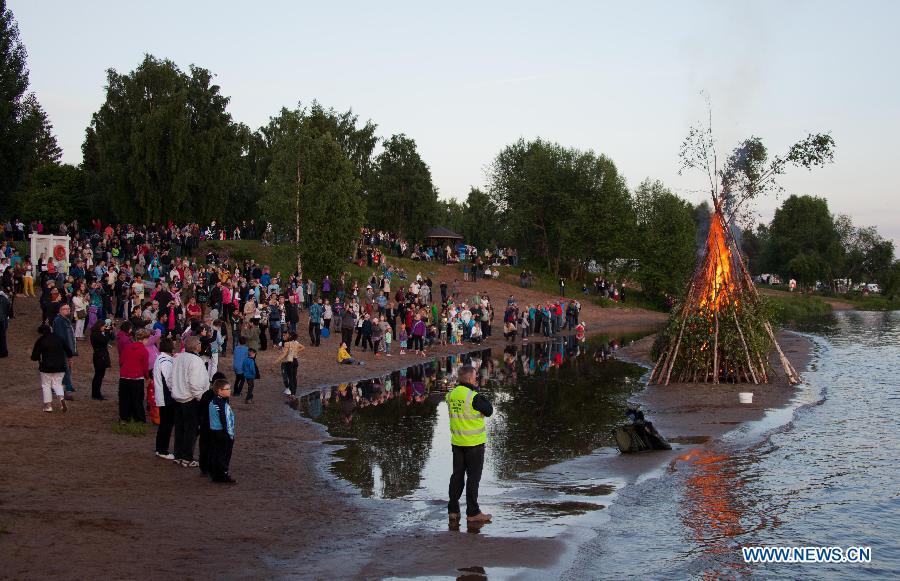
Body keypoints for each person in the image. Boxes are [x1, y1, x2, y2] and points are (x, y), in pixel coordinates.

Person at [446, 365, 493, 526]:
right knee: (473, 477)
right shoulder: (473, 396)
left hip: (457, 442)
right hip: (474, 444)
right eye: (475, 377)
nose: (476, 379)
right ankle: (473, 512)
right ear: (469, 379)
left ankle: (453, 509)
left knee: (457, 476)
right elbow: (489, 410)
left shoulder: (451, 394)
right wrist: (480, 395)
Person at [170, 336, 209, 467]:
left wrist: (174, 390)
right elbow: (195, 383)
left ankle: (178, 455)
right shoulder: (195, 360)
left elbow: (170, 379)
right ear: (196, 346)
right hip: (190, 399)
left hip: (177, 398)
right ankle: (187, 457)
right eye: (199, 343)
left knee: (180, 428)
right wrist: (201, 398)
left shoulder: (178, 358)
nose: (200, 345)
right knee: (191, 430)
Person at [31, 324, 72, 412]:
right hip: (60, 366)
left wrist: (38, 357)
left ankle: (48, 406)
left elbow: (34, 356)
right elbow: (69, 351)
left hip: (46, 367)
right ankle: (61, 400)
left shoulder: (40, 340)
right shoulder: (59, 338)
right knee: (57, 384)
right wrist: (69, 358)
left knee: (46, 385)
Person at [207, 378, 237, 484]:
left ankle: (216, 474)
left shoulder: (215, 401)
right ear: (220, 390)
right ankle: (222, 474)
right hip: (221, 432)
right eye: (227, 389)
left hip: (215, 431)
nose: (229, 391)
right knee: (223, 454)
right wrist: (229, 434)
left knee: (217, 453)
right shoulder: (219, 403)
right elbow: (224, 419)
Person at [118, 327, 150, 423]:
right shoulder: (144, 351)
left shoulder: (127, 347)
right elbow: (145, 367)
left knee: (124, 399)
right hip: (136, 378)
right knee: (137, 400)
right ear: (144, 339)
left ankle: (124, 418)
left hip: (124, 376)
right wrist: (147, 377)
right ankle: (139, 419)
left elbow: (121, 361)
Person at [153, 338, 176, 459]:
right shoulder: (165, 362)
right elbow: (169, 381)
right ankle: (162, 450)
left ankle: (160, 448)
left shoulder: (161, 359)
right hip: (166, 397)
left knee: (164, 424)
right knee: (167, 424)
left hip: (162, 396)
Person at [52, 303, 77, 399]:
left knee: (66, 369)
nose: (67, 310)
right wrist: (67, 351)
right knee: (65, 369)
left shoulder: (65, 320)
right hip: (62, 350)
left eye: (68, 308)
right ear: (60, 310)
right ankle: (67, 389)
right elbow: (61, 338)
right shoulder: (59, 321)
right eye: (65, 309)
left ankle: (64, 387)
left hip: (67, 349)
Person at [89, 319, 114, 400]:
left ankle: (96, 393)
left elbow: (109, 339)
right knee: (99, 376)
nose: (104, 328)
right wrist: (107, 332)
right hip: (100, 356)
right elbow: (105, 341)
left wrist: (108, 332)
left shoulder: (95, 333)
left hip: (98, 355)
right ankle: (96, 394)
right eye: (103, 326)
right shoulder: (97, 335)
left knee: (98, 375)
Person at [276, 331, 304, 396]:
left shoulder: (292, 342)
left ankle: (292, 392)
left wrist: (277, 360)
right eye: (283, 335)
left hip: (289, 361)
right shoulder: (283, 342)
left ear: (289, 336)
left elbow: (285, 353)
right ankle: (291, 391)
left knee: (291, 377)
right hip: (288, 361)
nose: (283, 336)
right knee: (287, 377)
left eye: (285, 335)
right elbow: (280, 348)